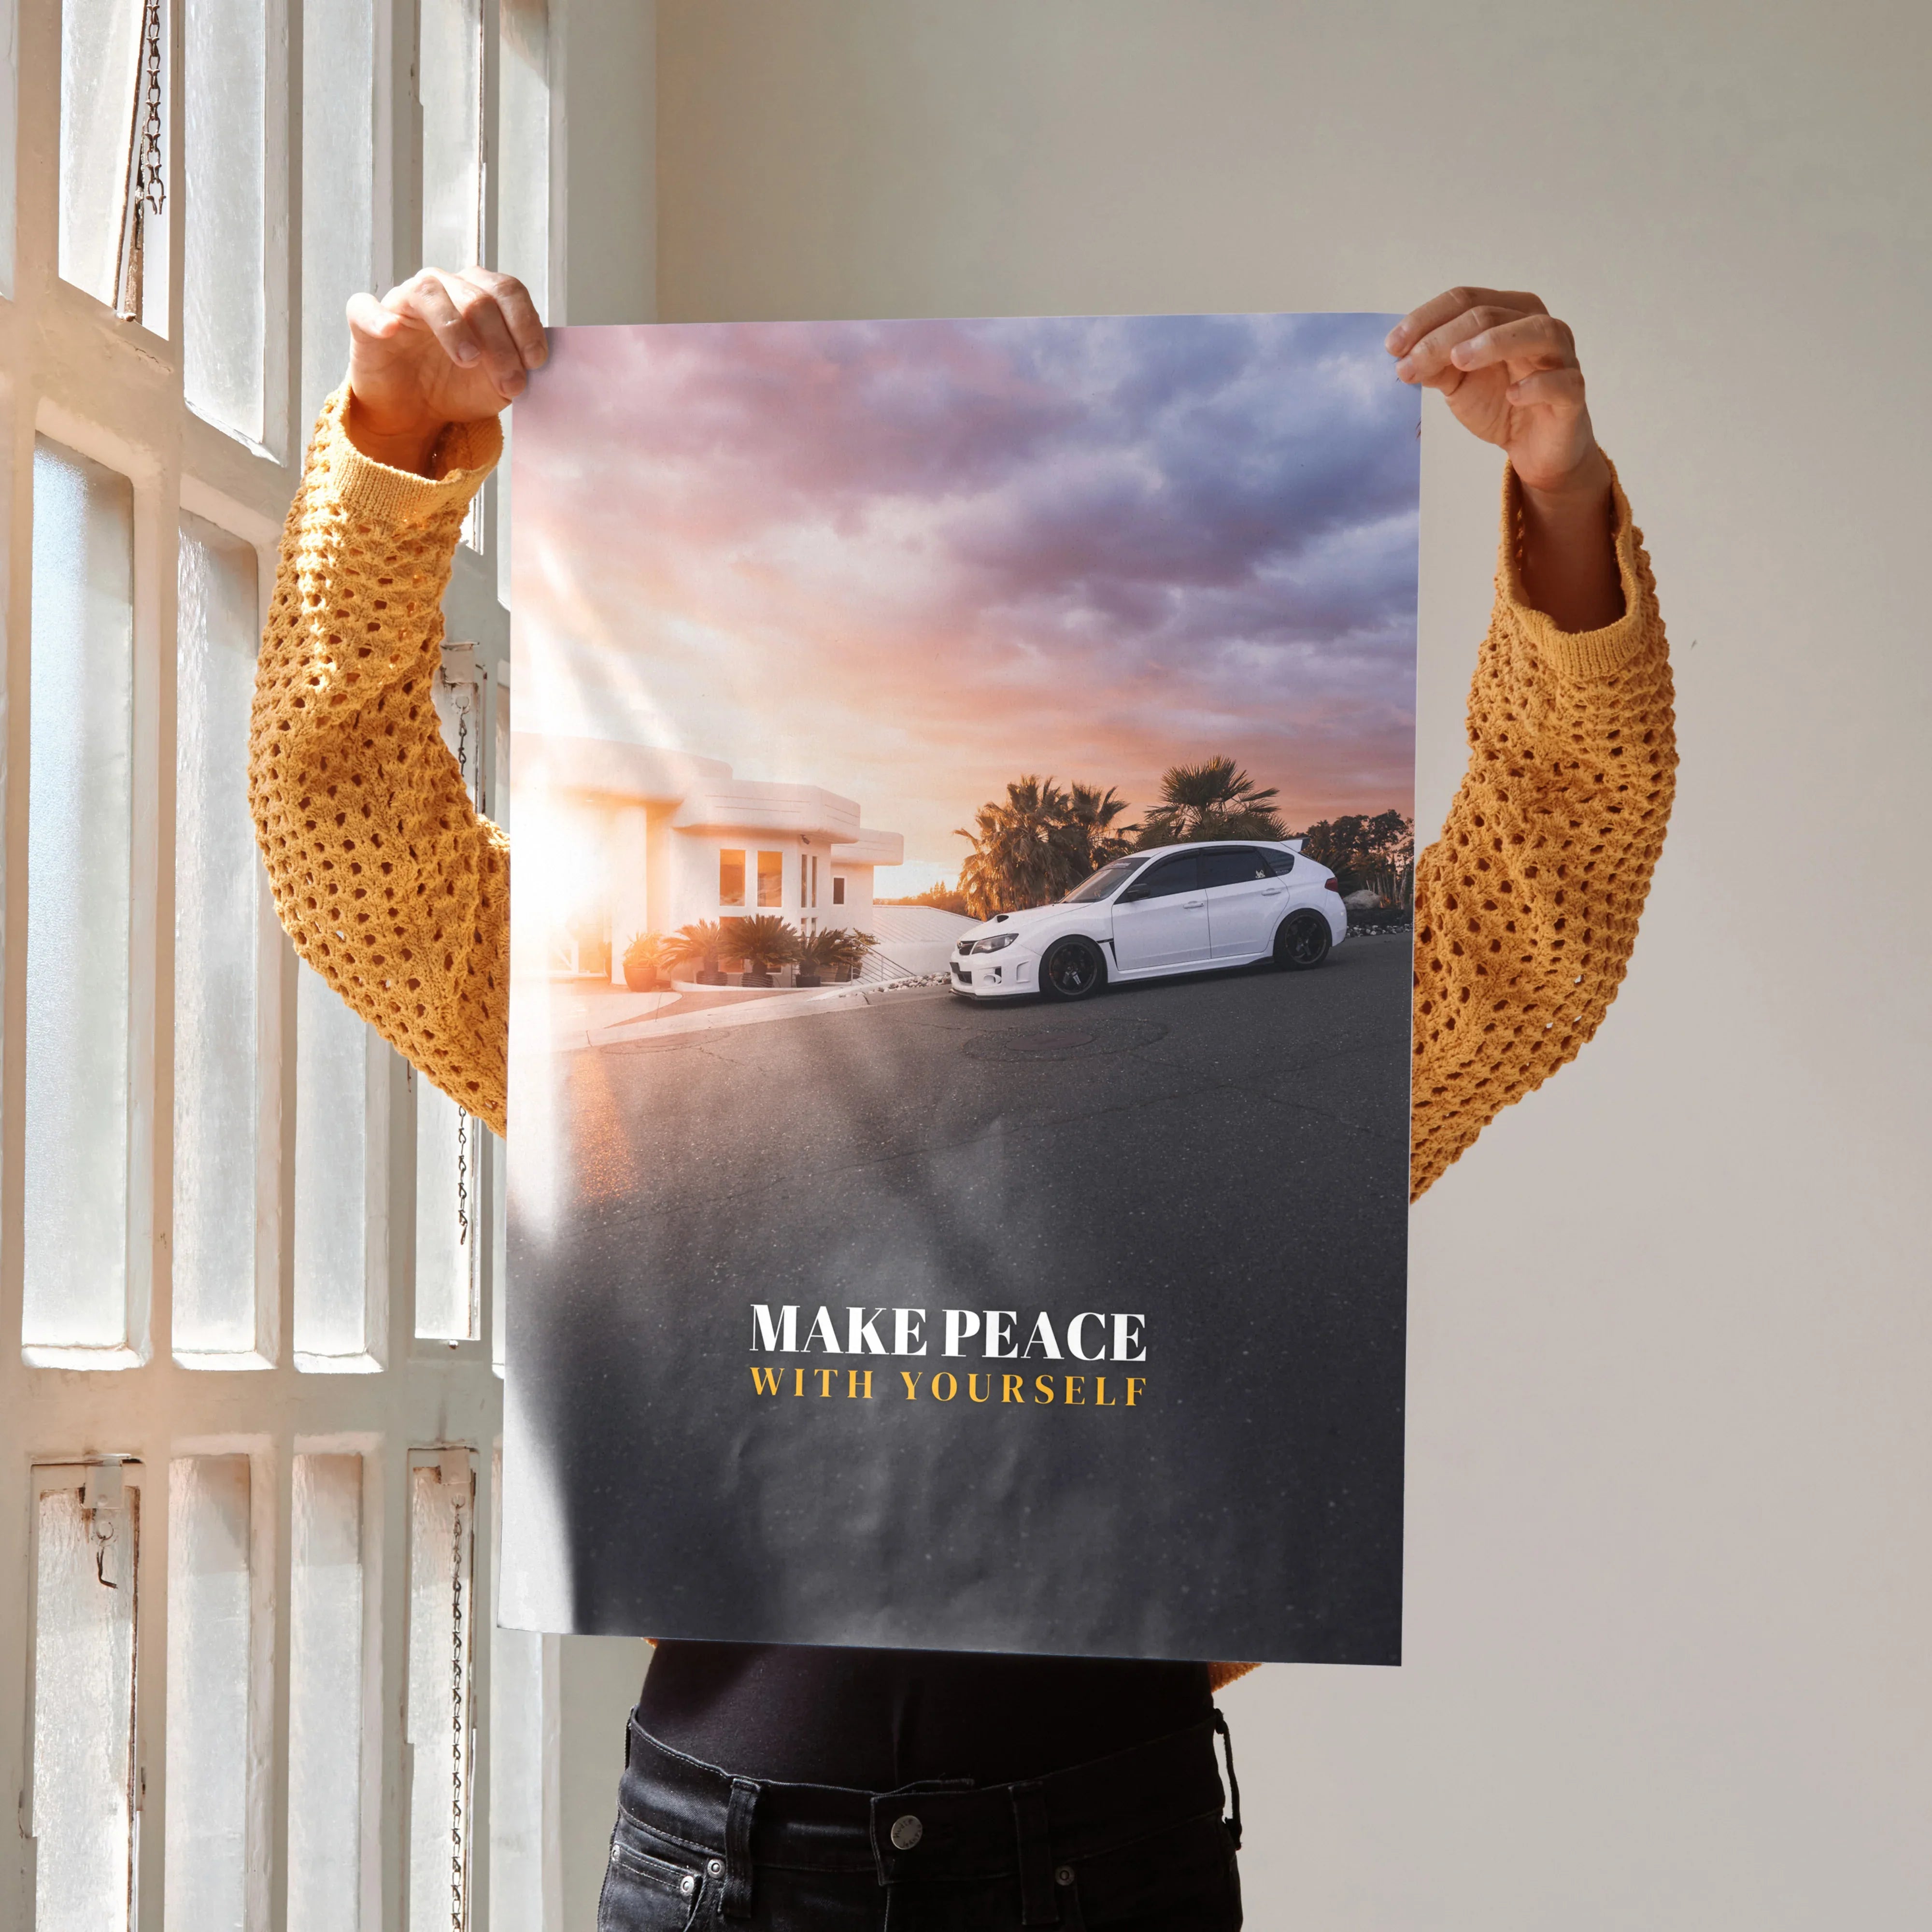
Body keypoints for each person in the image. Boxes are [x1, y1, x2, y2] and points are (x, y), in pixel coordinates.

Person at [250, 270, 1674, 1928]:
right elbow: (350, 846)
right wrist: (393, 448)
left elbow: (1542, 915)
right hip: (725, 1865)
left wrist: (1561, 501)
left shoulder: (1263, 1079)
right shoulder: (602, 1075)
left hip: (1104, 1852)